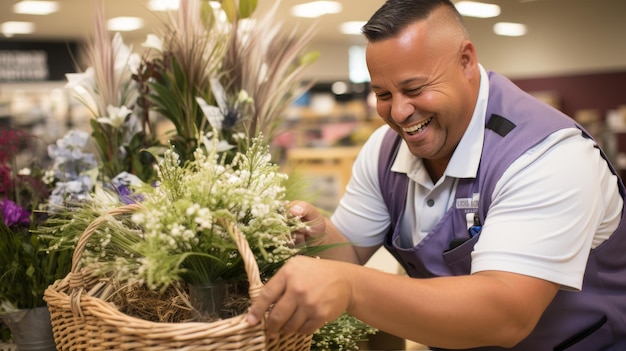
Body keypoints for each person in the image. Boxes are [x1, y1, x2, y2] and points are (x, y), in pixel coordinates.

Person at [247, 0, 626, 349]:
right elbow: (350, 255)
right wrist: (321, 235)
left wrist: (351, 288)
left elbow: (507, 313)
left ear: (465, 61)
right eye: (382, 94)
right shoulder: (383, 150)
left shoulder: (546, 154)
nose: (398, 113)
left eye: (414, 88)